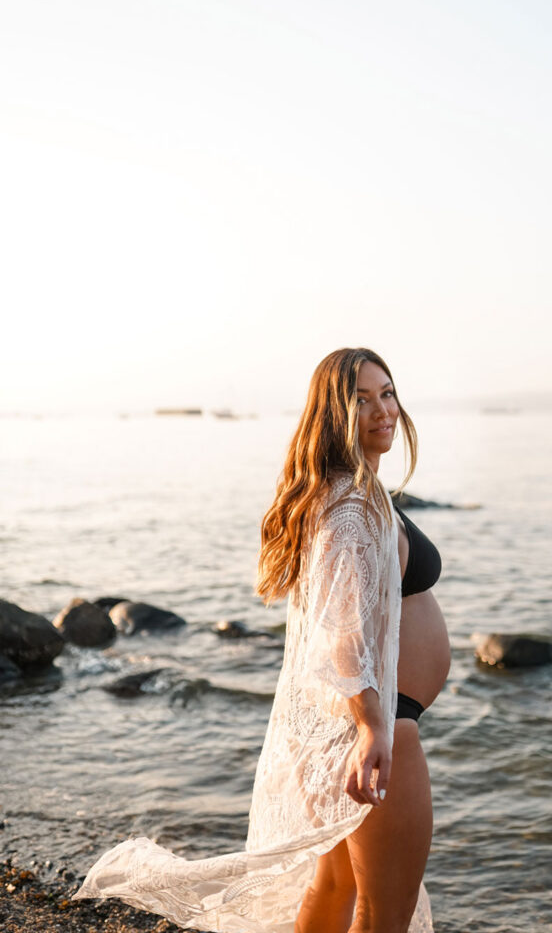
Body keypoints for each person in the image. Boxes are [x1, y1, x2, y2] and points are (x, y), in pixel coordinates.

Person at [73, 347, 450, 933]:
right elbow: (341, 632)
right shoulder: (350, 507)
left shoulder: (350, 494)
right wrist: (375, 727)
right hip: (374, 727)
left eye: (388, 393)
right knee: (382, 917)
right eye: (360, 399)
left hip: (347, 729)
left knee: (334, 890)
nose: (382, 410)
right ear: (333, 416)